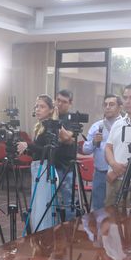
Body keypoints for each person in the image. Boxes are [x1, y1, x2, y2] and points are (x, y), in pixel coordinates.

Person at [18, 95, 61, 232]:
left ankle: (43, 240)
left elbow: (49, 151)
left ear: (50, 110)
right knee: (36, 209)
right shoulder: (39, 127)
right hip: (37, 168)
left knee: (42, 211)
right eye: (36, 106)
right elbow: (38, 153)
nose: (38, 109)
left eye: (42, 106)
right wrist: (26, 150)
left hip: (46, 171)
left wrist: (29, 146)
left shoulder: (52, 127)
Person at [82, 94, 123, 210]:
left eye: (111, 104)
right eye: (105, 105)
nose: (108, 107)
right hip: (100, 174)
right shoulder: (97, 126)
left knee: (117, 209)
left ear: (120, 107)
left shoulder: (125, 126)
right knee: (98, 209)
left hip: (119, 174)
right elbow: (85, 149)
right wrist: (94, 142)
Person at [53, 89, 81, 217]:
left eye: (64, 102)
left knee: (68, 200)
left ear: (70, 103)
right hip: (51, 164)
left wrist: (56, 122)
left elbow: (65, 137)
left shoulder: (72, 119)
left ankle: (70, 231)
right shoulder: (49, 116)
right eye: (58, 100)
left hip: (66, 166)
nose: (60, 104)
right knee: (52, 201)